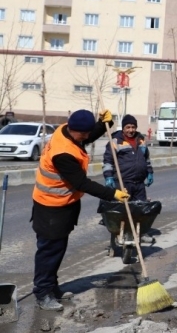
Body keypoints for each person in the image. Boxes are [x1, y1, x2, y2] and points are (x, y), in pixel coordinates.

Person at [31, 109, 130, 311]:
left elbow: (87, 136)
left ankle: (52, 287)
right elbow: (81, 183)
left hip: (62, 205)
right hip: (50, 207)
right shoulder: (63, 153)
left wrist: (104, 124)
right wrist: (113, 194)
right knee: (49, 252)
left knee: (57, 251)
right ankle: (42, 293)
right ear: (74, 130)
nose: (87, 137)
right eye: (84, 134)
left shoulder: (67, 131)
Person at [102, 115, 153, 201]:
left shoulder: (141, 140)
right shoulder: (115, 141)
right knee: (123, 211)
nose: (131, 130)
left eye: (133, 127)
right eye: (128, 127)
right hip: (123, 183)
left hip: (139, 184)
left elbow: (146, 159)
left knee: (139, 211)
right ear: (123, 128)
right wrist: (108, 177)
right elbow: (108, 161)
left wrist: (149, 172)